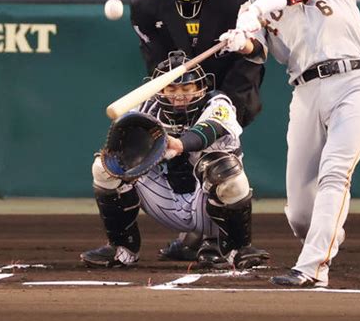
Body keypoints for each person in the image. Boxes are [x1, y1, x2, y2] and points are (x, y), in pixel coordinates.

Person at [216, 0, 360, 287]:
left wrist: (258, 9)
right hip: (306, 92)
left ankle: (312, 268)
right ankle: (325, 238)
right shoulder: (250, 9)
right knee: (298, 212)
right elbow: (257, 50)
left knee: (334, 172)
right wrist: (241, 40)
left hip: (356, 80)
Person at [131, 0, 265, 260]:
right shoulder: (146, 5)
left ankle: (218, 237)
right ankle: (195, 231)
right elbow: (158, 65)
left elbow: (254, 56)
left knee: (218, 149)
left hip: (232, 76)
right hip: (181, 84)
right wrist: (181, 93)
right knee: (176, 151)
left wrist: (226, 103)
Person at [80, 51, 270, 269]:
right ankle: (122, 248)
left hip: (207, 204)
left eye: (186, 89)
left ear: (200, 88)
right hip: (164, 198)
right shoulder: (146, 108)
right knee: (107, 167)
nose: (178, 95)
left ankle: (236, 248)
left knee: (223, 169)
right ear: (160, 89)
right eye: (171, 88)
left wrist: (179, 144)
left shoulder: (218, 103)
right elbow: (122, 146)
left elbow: (209, 130)